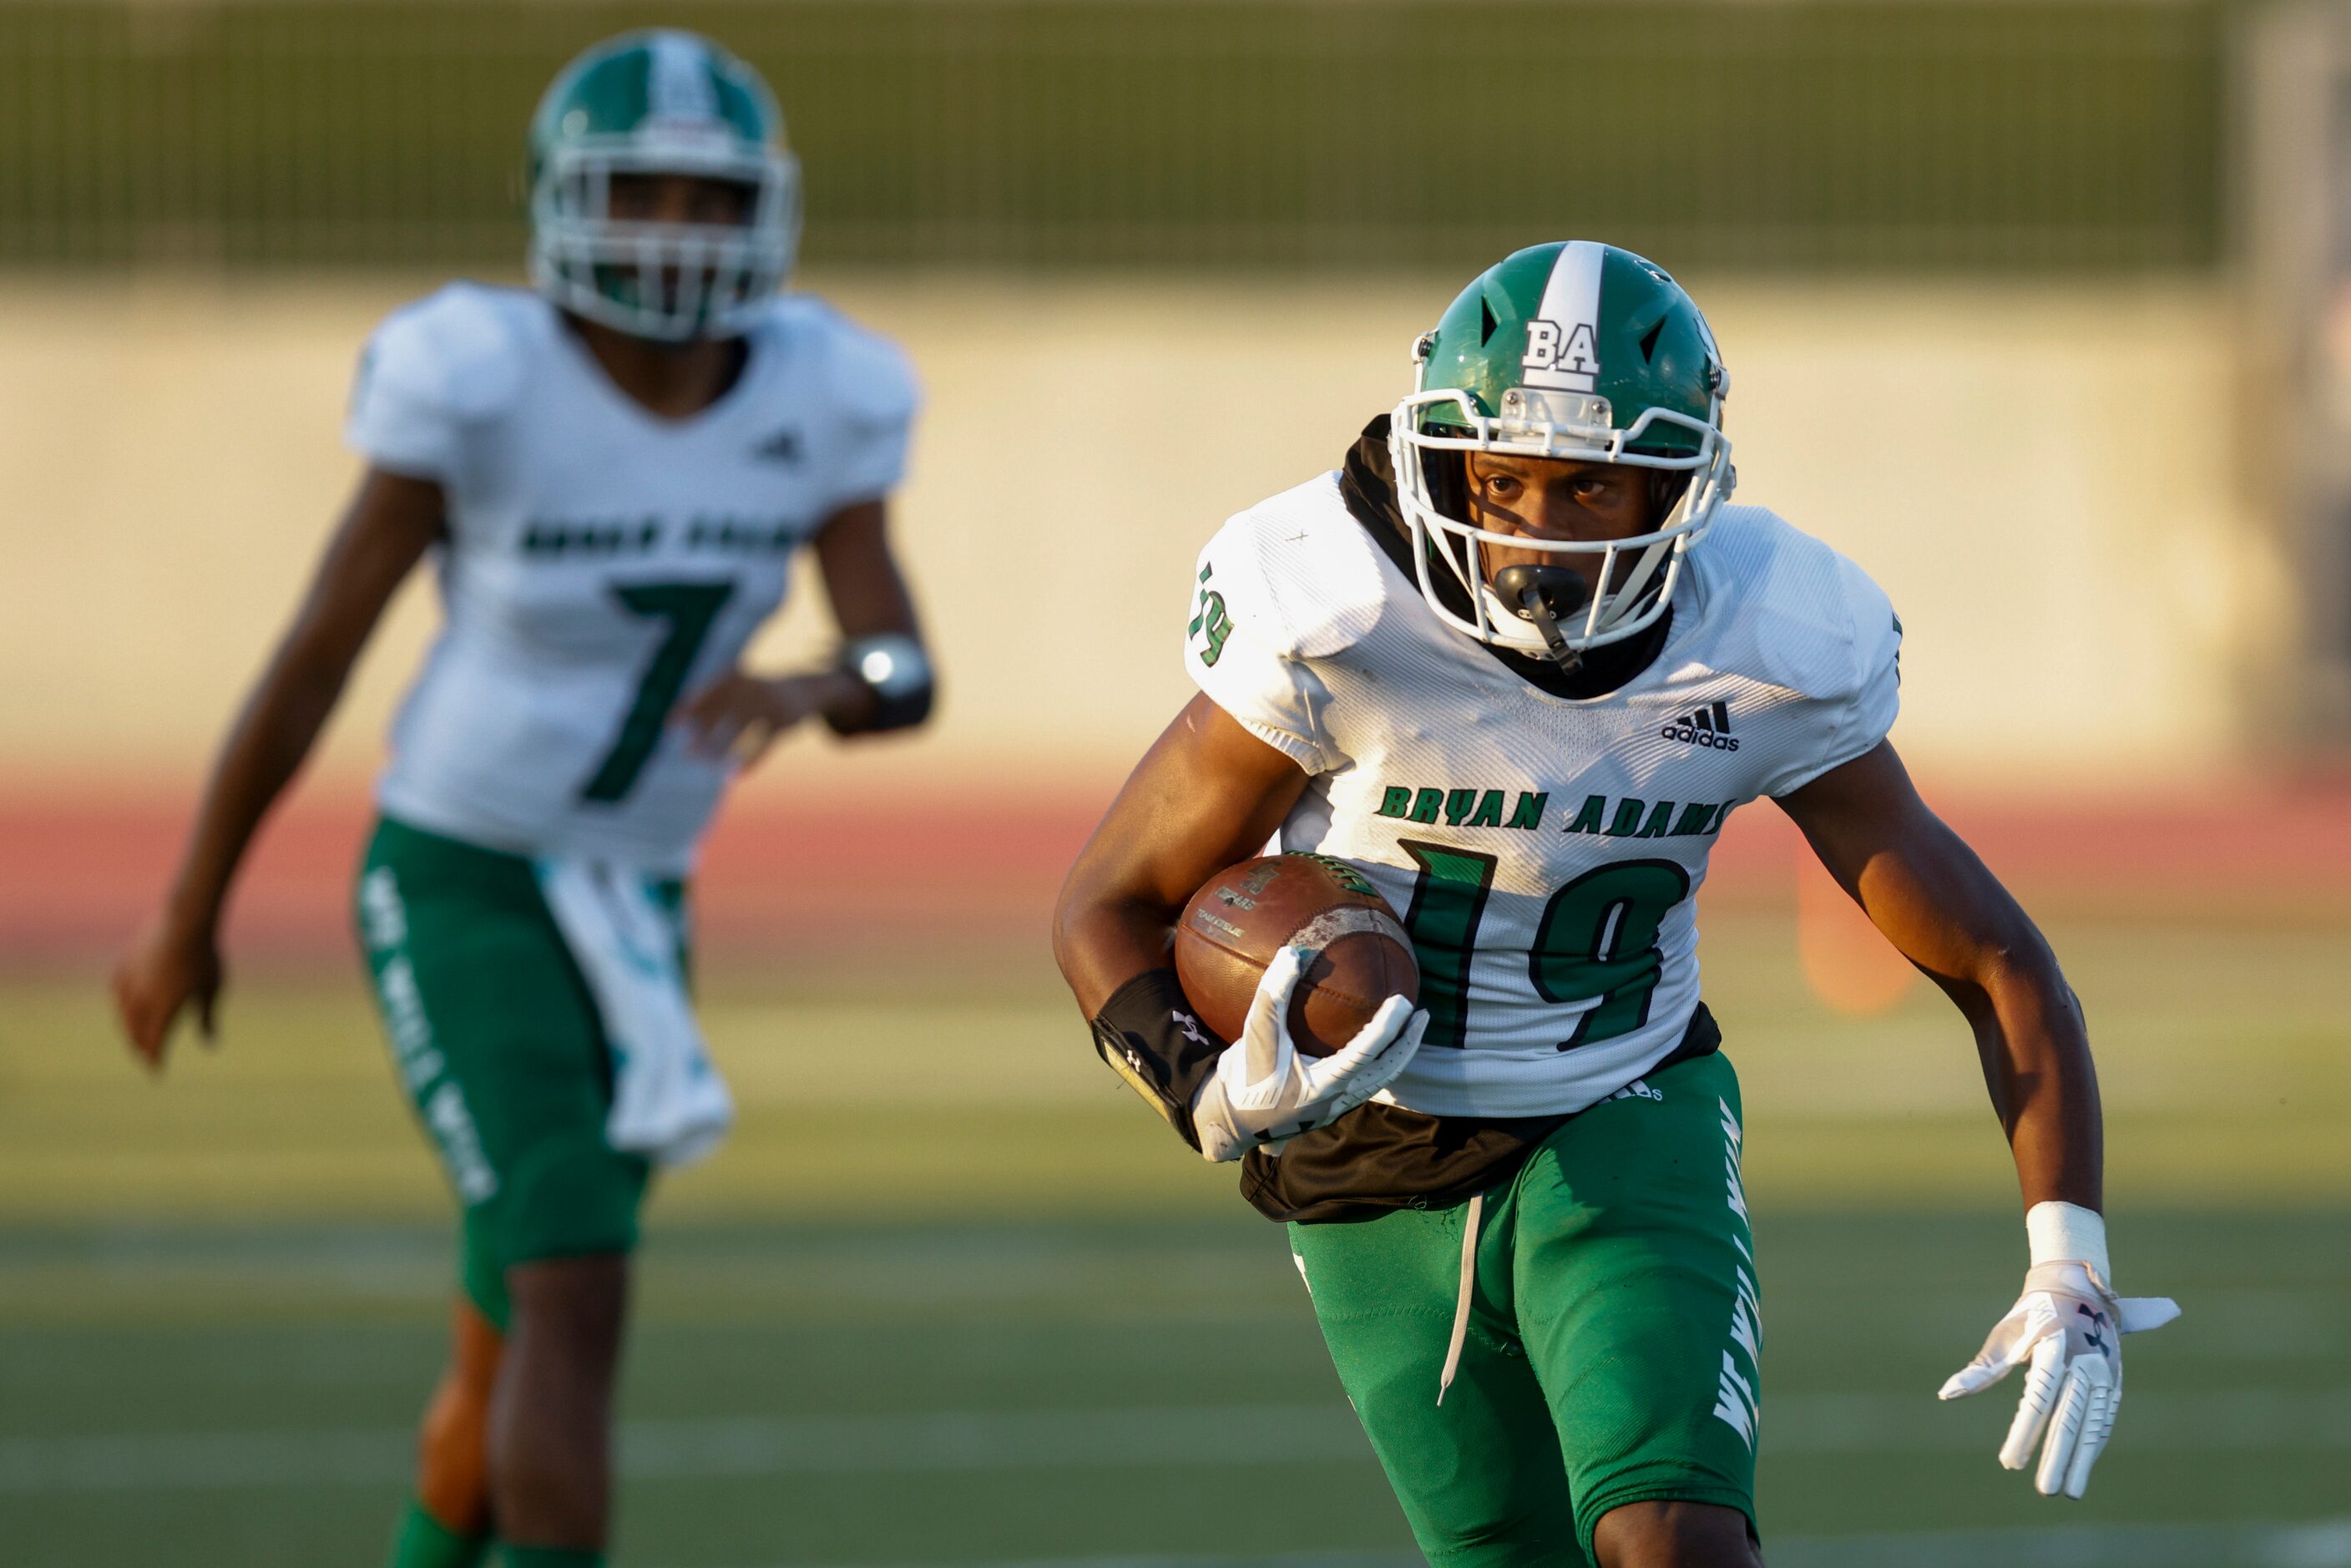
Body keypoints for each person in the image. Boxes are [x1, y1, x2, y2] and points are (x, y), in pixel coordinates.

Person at [1053, 241, 2177, 1568]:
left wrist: (2070, 1256)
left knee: (1675, 1537)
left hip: (1625, 1113)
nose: (1535, 529)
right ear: (1440, 461)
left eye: (1589, 483)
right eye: (1502, 479)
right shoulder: (1341, 614)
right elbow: (1110, 898)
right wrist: (1197, 1084)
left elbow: (1995, 960)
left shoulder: (1764, 638)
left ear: (1677, 482)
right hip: (1368, 1166)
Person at [109, 30, 933, 1568]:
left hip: (637, 898)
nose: (677, 234)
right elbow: (313, 661)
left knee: (505, 1341)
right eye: (646, 194)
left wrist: (821, 685)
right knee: (573, 1281)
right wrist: (188, 905)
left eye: (708, 199)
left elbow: (904, 666)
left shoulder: (820, 391)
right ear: (566, 203)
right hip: (463, 878)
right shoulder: (480, 380)